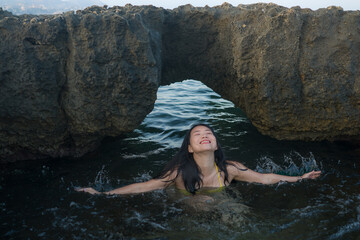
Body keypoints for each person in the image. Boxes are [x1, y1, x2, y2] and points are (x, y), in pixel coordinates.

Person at [76, 123, 321, 195]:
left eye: (209, 134)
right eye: (197, 135)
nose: (205, 136)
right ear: (190, 148)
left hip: (224, 207)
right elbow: (144, 186)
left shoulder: (230, 169)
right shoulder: (178, 173)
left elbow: (265, 178)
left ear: (215, 143)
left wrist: (299, 178)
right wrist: (104, 194)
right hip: (191, 215)